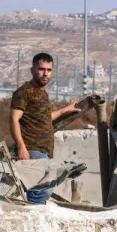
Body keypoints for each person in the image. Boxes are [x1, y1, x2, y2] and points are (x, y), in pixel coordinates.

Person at [9, 52, 81, 205]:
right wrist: (22, 147)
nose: (45, 73)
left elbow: (44, 118)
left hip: (45, 151)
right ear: (32, 70)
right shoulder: (25, 92)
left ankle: (32, 216)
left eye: (49, 70)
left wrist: (64, 110)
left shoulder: (42, 93)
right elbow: (14, 119)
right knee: (41, 190)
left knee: (44, 189)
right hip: (31, 150)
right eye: (41, 69)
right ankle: (32, 219)